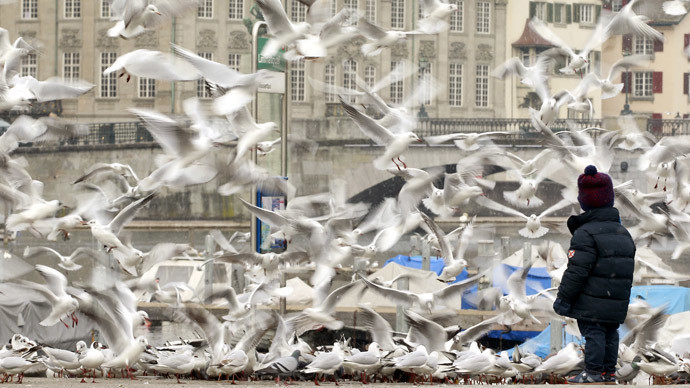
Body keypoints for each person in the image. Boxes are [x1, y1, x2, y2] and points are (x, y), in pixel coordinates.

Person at [552, 165, 636, 384]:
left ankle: (593, 371)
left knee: (594, 332)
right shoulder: (622, 231)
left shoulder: (585, 233)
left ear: (584, 201)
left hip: (591, 300)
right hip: (616, 298)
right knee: (610, 332)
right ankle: (608, 371)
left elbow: (577, 271)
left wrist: (563, 298)